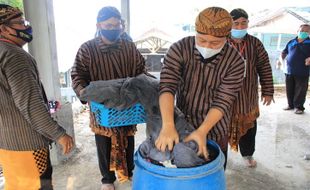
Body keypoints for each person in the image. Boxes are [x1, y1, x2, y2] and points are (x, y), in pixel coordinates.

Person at [155, 7, 245, 169]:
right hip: (183, 121)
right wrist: (168, 125)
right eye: (202, 40)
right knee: (181, 169)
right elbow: (167, 87)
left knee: (212, 170)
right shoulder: (180, 48)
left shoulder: (235, 62)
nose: (207, 46)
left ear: (227, 37)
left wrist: (202, 131)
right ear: (195, 32)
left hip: (215, 127)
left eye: (215, 42)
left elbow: (223, 101)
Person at [71, 6, 149, 190]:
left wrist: (147, 86)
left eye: (117, 25)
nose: (113, 28)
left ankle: (128, 170)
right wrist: (84, 92)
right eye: (108, 25)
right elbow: (77, 75)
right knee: (104, 143)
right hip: (102, 108)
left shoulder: (129, 48)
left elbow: (141, 70)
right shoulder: (87, 49)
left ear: (122, 25)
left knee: (128, 139)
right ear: (99, 25)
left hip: (127, 105)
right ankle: (107, 179)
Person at [0, 4, 73, 189]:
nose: (26, 27)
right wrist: (59, 134)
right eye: (20, 23)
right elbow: (30, 105)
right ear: (4, 28)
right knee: (38, 185)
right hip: (27, 146)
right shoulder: (14, 55)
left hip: (6, 144)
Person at [228, 8, 274, 167]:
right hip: (224, 96)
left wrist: (268, 91)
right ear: (229, 24)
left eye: (243, 23)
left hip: (247, 95)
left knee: (249, 127)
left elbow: (265, 68)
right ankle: (219, 157)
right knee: (220, 128)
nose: (240, 27)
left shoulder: (255, 43)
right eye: (236, 23)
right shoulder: (220, 42)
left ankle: (247, 154)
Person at [280, 24, 310, 114]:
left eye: (306, 31)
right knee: (289, 89)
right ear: (297, 31)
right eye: (301, 30)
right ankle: (290, 105)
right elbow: (284, 52)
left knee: (300, 90)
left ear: (309, 33)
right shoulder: (291, 41)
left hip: (302, 71)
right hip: (289, 70)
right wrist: (281, 59)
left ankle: (299, 107)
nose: (303, 32)